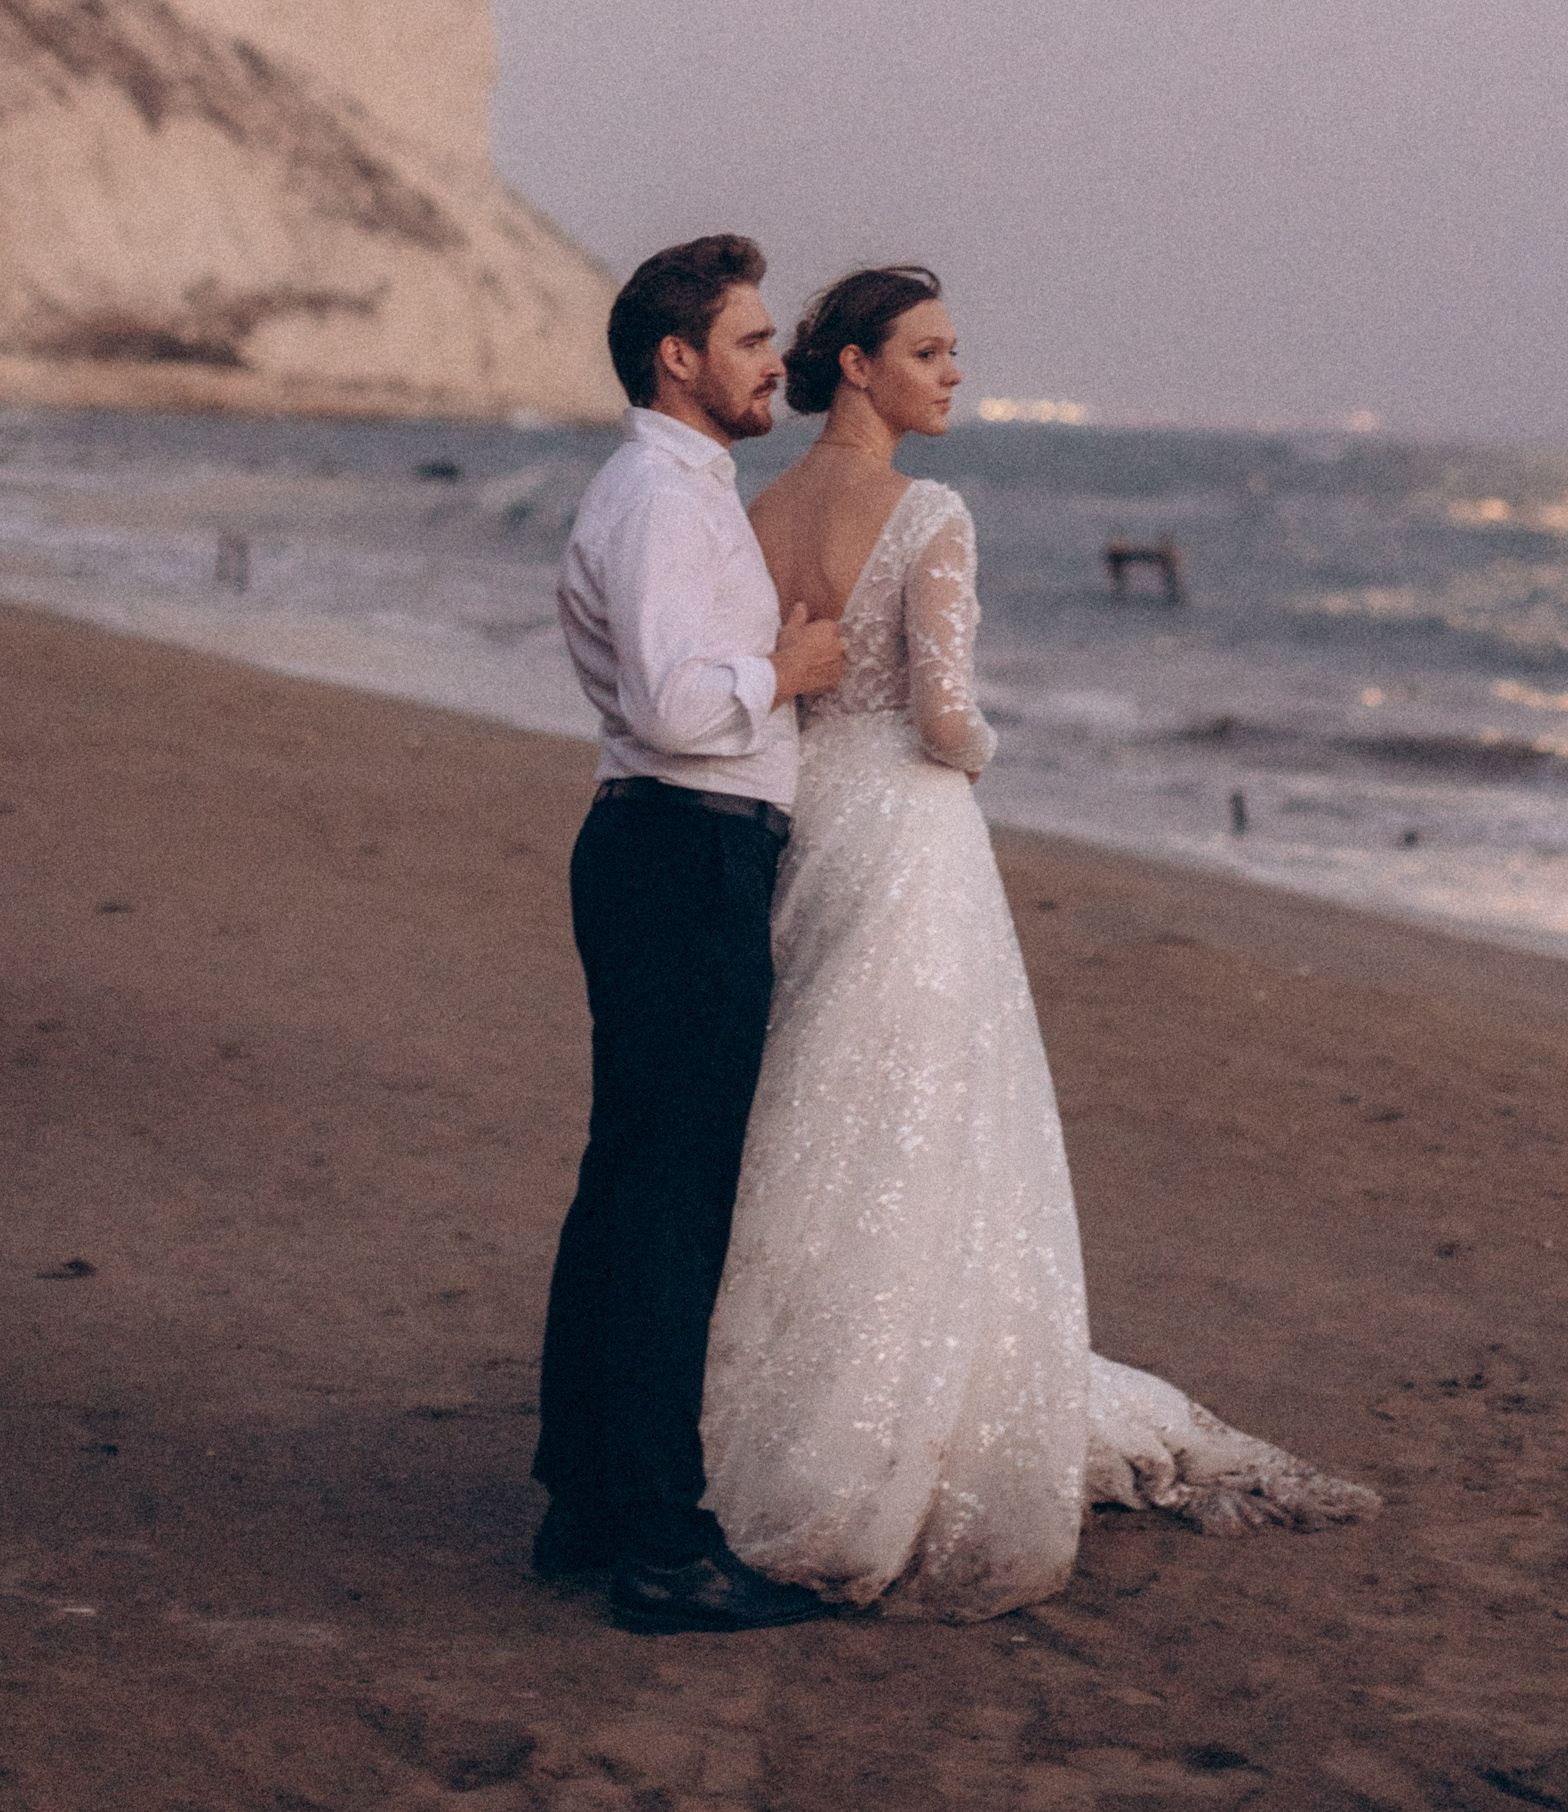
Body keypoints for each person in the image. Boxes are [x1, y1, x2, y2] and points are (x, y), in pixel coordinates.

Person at [700, 265, 1377, 1618]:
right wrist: (981, 754)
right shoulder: (931, 514)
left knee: (814, 1119)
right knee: (926, 1128)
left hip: (802, 828)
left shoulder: (757, 510)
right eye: (930, 352)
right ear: (858, 368)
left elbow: (775, 690)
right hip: (907, 836)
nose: (953, 374)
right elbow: (946, 717)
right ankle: (904, 1418)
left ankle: (782, 1416)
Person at [531, 234, 845, 1635]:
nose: (776, 361)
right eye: (751, 339)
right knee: (669, 1205)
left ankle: (589, 1501)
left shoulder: (679, 490)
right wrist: (789, 669)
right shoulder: (659, 500)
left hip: (663, 847)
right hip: (682, 848)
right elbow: (671, 704)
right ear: (679, 357)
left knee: (628, 1187)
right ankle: (660, 1541)